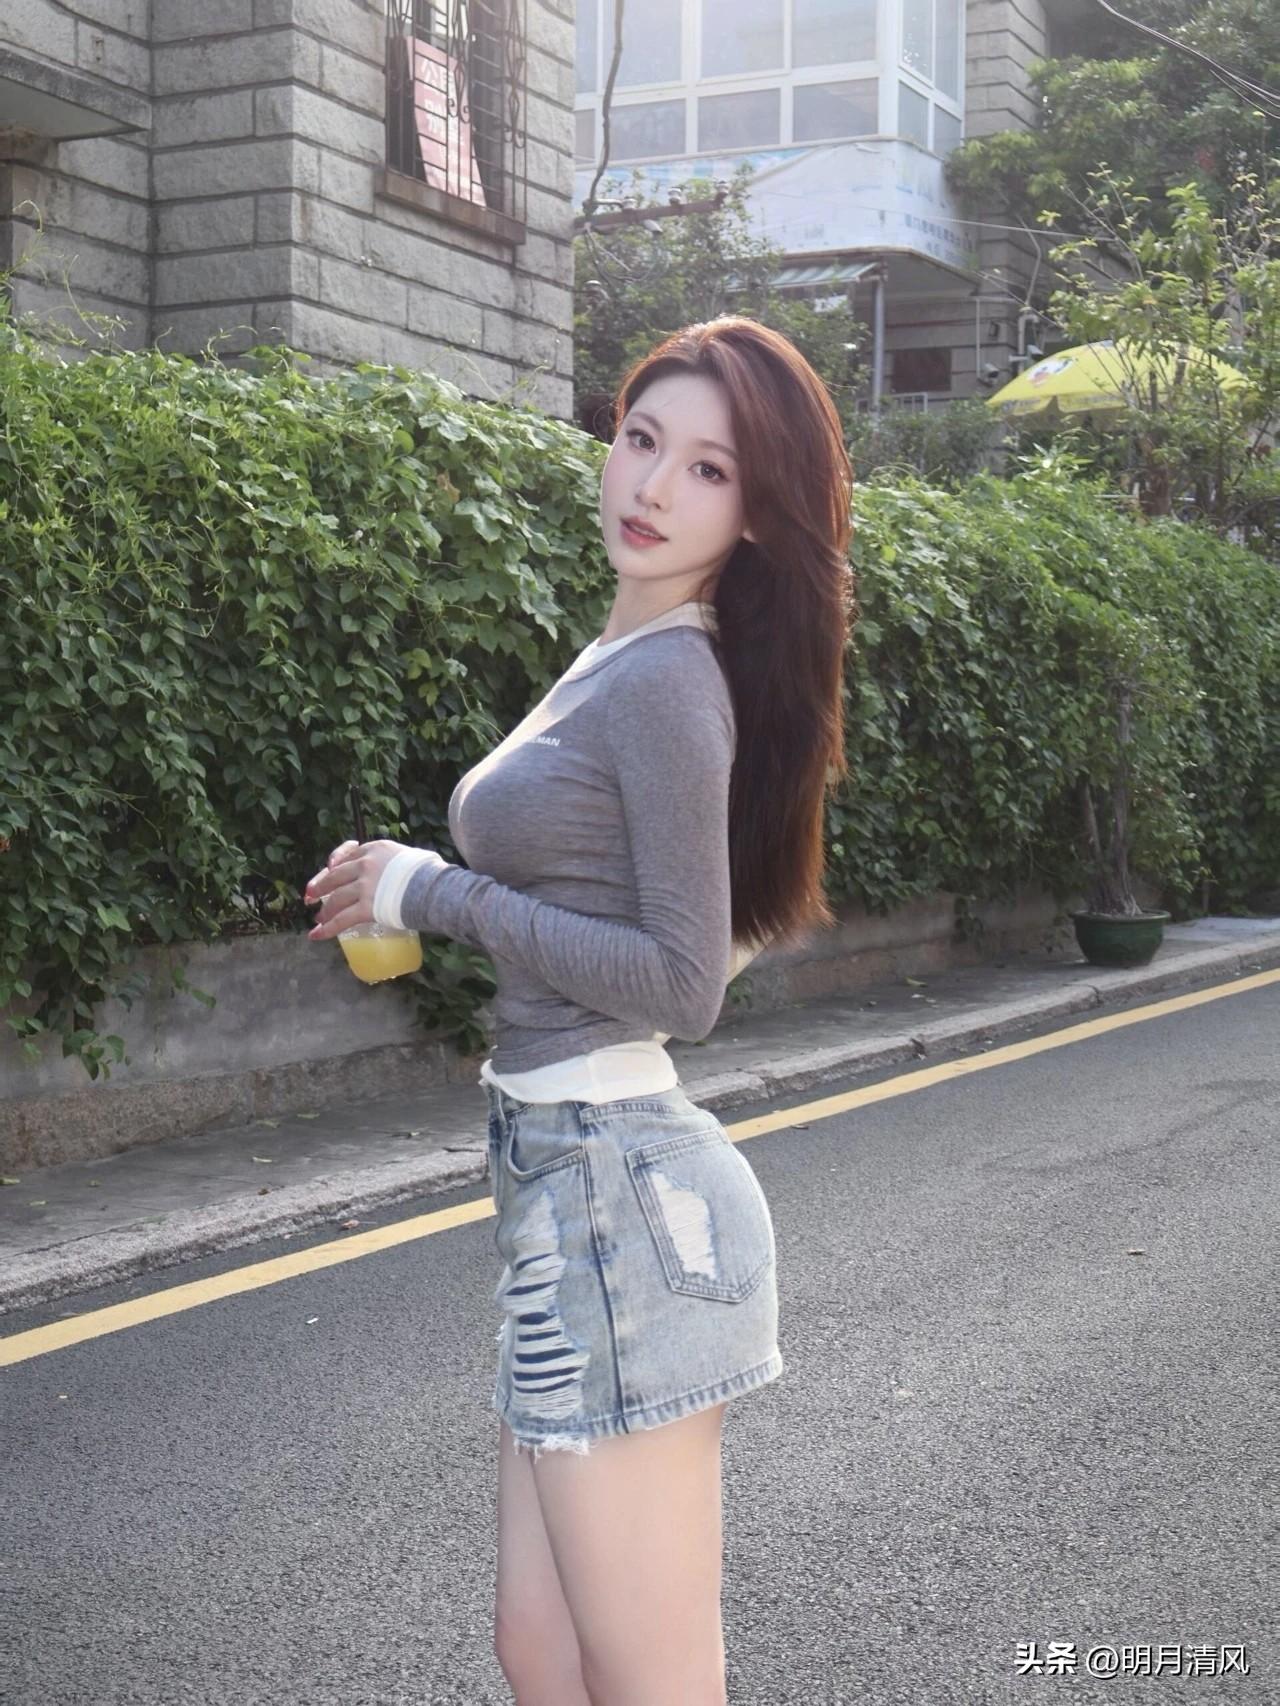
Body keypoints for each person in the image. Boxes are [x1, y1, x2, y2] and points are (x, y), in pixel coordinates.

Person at [304, 316, 855, 1705]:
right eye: (641, 439)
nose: (653, 486)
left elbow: (681, 985)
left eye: (709, 469)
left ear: (757, 513)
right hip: (557, 1188)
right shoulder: (625, 650)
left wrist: (437, 892)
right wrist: (410, 893)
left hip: (620, 1203)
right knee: (541, 1654)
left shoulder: (669, 678)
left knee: (649, 1683)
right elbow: (689, 922)